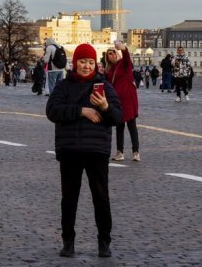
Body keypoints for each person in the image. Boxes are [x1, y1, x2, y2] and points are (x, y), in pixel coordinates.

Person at [46, 43, 122, 259]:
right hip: (70, 150)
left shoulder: (105, 87)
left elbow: (117, 117)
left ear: (96, 64)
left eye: (90, 62)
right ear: (75, 63)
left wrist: (105, 107)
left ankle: (104, 242)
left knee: (101, 198)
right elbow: (52, 111)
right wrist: (82, 111)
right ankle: (68, 242)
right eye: (82, 62)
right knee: (69, 199)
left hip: (96, 151)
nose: (87, 66)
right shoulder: (63, 86)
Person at [106, 41, 141, 162]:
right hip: (117, 102)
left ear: (117, 54)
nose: (111, 55)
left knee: (132, 126)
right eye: (109, 54)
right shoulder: (109, 70)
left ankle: (136, 152)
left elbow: (126, 57)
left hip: (128, 100)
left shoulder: (123, 64)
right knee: (119, 127)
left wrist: (123, 48)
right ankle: (120, 152)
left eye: (112, 53)